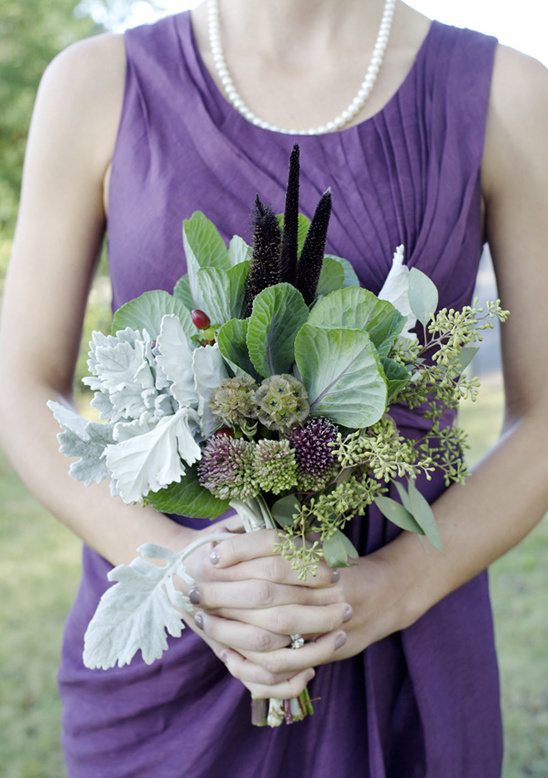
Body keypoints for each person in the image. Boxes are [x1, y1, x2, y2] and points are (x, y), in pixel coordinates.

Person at [1, 0, 547, 775]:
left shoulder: (508, 95)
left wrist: (389, 589)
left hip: (405, 644)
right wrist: (185, 574)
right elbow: (20, 387)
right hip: (168, 667)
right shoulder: (95, 84)